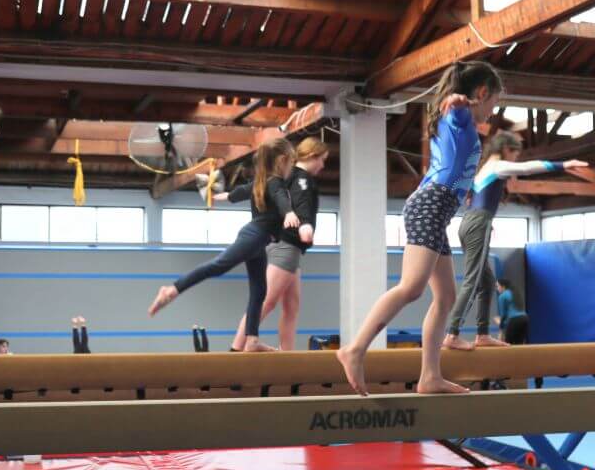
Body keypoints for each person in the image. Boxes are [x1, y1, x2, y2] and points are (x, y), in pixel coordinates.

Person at [337, 60, 504, 395]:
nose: (492, 111)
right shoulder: (459, 118)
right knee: (411, 288)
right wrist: (457, 102)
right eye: (493, 103)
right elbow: (454, 108)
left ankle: (429, 376)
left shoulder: (463, 124)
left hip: (435, 210)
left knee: (445, 297)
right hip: (430, 204)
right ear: (481, 93)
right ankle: (354, 349)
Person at [149, 138, 298, 352]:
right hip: (254, 238)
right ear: (283, 160)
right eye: (291, 163)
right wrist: (289, 212)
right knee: (219, 266)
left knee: (259, 291)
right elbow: (280, 197)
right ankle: (172, 289)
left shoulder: (261, 181)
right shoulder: (275, 183)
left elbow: (239, 192)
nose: (291, 168)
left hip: (258, 241)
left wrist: (224, 196)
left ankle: (252, 339)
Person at [444, 130, 585, 350]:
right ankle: (452, 334)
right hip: (478, 224)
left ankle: (482, 334)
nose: (515, 160)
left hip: (471, 223)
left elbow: (473, 196)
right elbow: (527, 168)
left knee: (487, 282)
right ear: (506, 149)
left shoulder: (483, 170)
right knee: (472, 280)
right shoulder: (497, 166)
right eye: (515, 155)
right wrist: (564, 165)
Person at [221, 137, 329, 352]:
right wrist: (305, 225)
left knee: (291, 307)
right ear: (312, 156)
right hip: (286, 246)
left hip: (285, 247)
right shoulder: (301, 179)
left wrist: (227, 196)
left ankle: (287, 355)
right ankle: (235, 350)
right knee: (266, 301)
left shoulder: (282, 176)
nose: (323, 166)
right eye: (322, 160)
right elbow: (301, 204)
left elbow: (253, 187)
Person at [496, 278, 528, 346]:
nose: (497, 288)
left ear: (503, 286)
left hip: (514, 320)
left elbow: (503, 315)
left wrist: (501, 330)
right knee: (519, 345)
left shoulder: (502, 296)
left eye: (498, 286)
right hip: (524, 319)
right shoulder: (515, 293)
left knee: (507, 344)